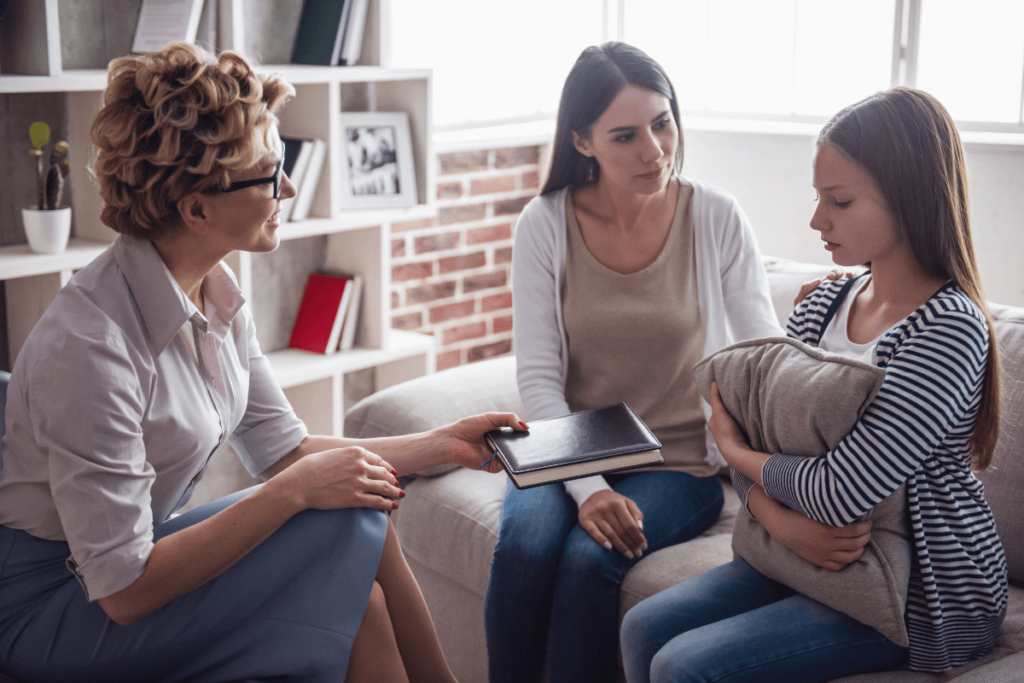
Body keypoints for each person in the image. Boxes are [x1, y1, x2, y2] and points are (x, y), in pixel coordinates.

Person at [0, 43, 525, 683]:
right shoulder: (89, 347)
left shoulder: (214, 292)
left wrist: (440, 444)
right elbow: (124, 588)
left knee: (356, 546)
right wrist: (292, 494)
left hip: (121, 563)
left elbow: (285, 449)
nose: (291, 188)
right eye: (270, 174)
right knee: (344, 512)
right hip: (52, 607)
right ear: (196, 209)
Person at [620, 87, 1009, 683]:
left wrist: (736, 452)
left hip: (918, 590)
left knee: (682, 665)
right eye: (818, 197)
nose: (816, 220)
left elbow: (838, 492)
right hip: (803, 554)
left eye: (841, 200)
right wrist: (778, 521)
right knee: (641, 626)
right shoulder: (823, 304)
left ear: (909, 199)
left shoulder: (948, 328)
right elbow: (766, 432)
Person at [484, 42, 782, 683]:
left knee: (593, 561)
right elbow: (537, 374)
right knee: (526, 548)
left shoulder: (716, 216)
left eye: (663, 122)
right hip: (570, 442)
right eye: (626, 135)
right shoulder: (545, 223)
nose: (654, 149)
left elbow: (762, 357)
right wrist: (587, 487)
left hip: (677, 459)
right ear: (583, 142)